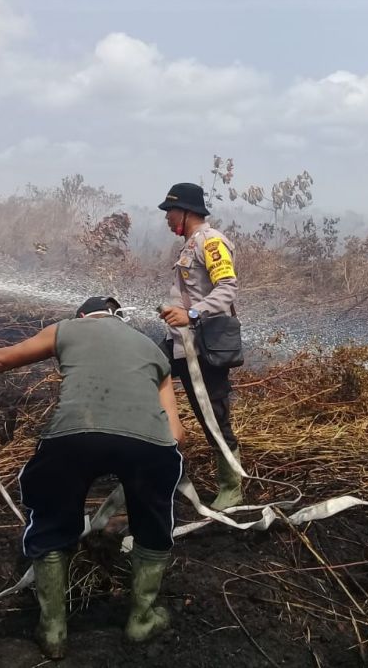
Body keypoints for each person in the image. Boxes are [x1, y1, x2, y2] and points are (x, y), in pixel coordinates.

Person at [0, 296, 185, 659]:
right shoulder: (152, 349)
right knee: (154, 523)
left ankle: (53, 630)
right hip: (151, 445)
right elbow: (176, 434)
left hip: (73, 437)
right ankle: (142, 619)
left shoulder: (67, 328)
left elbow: (0, 360)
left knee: (51, 518)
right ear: (118, 318)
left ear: (82, 315)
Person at [156, 182, 243, 510]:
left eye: (170, 211)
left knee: (213, 417)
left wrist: (191, 314)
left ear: (186, 211)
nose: (167, 218)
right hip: (179, 343)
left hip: (204, 348)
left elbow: (227, 289)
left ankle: (231, 486)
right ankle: (159, 460)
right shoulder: (189, 245)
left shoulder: (211, 241)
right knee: (145, 372)